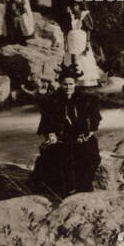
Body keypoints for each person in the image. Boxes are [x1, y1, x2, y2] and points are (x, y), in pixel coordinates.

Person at [31, 64, 102, 200]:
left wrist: (87, 134)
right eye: (65, 84)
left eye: (70, 84)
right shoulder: (51, 101)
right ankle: (60, 193)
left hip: (82, 138)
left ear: (75, 84)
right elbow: (46, 125)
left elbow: (94, 123)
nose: (68, 87)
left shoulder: (87, 100)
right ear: (60, 84)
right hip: (61, 139)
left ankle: (82, 190)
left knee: (86, 156)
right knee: (55, 157)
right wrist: (50, 134)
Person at [64, 5, 102, 87]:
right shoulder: (70, 14)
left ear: (79, 6)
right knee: (72, 58)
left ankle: (85, 81)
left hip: (81, 39)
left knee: (83, 58)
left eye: (76, 6)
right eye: (73, 6)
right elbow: (66, 30)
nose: (74, 8)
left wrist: (87, 43)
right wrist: (65, 43)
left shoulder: (84, 14)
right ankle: (73, 79)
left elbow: (89, 30)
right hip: (71, 39)